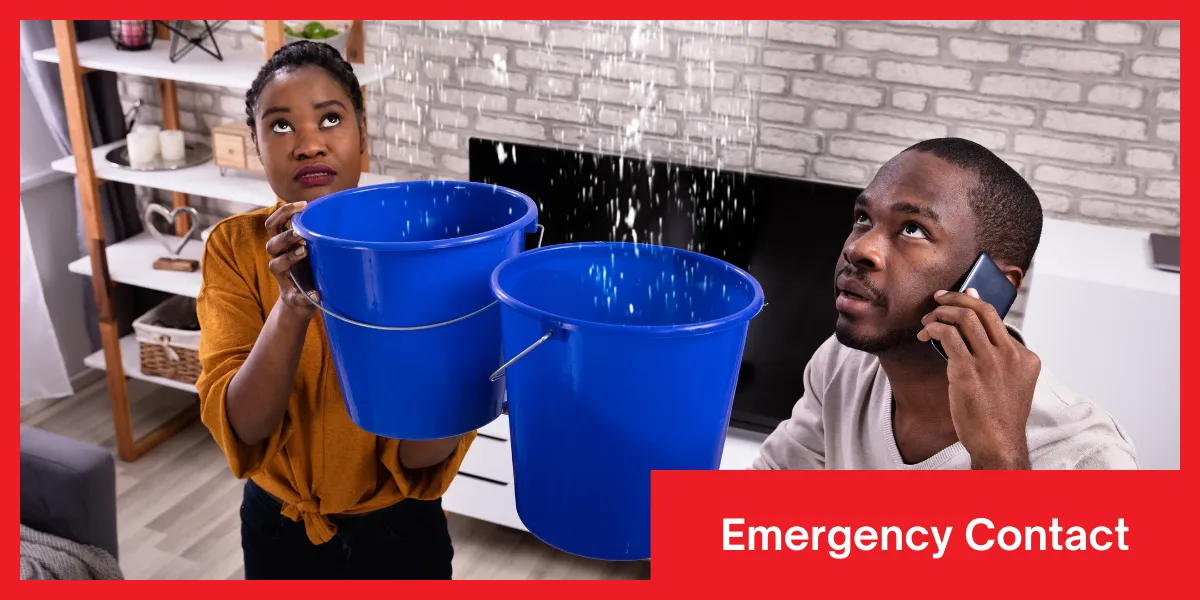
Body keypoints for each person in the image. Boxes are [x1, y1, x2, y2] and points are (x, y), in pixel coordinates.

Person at [195, 41, 474, 580]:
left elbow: (420, 458)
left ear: (362, 134)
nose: (308, 144)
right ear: (255, 146)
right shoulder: (233, 248)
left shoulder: (413, 252)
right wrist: (292, 307)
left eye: (330, 118)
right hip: (279, 530)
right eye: (280, 126)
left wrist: (468, 368)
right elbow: (246, 428)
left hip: (401, 531)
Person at [751, 138, 1137, 471]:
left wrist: (999, 456)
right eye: (863, 218)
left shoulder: (1087, 457)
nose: (858, 248)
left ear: (991, 285)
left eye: (912, 229)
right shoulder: (844, 364)